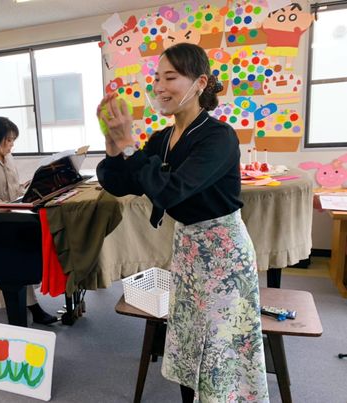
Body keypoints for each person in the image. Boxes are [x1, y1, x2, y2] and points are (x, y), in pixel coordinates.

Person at [96, 43, 268, 402]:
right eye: (157, 78)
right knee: (189, 342)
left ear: (200, 83)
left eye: (170, 77)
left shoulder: (219, 137)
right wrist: (114, 146)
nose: (159, 87)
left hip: (224, 257)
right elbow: (123, 182)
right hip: (188, 251)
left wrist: (128, 143)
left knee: (221, 349)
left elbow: (170, 192)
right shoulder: (163, 138)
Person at [0, 116, 57, 325]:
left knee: (29, 250)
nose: (11, 145)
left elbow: (15, 187)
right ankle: (34, 308)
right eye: (8, 140)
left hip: (13, 215)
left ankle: (27, 297)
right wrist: (12, 205)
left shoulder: (8, 157)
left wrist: (27, 188)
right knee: (18, 259)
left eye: (13, 140)